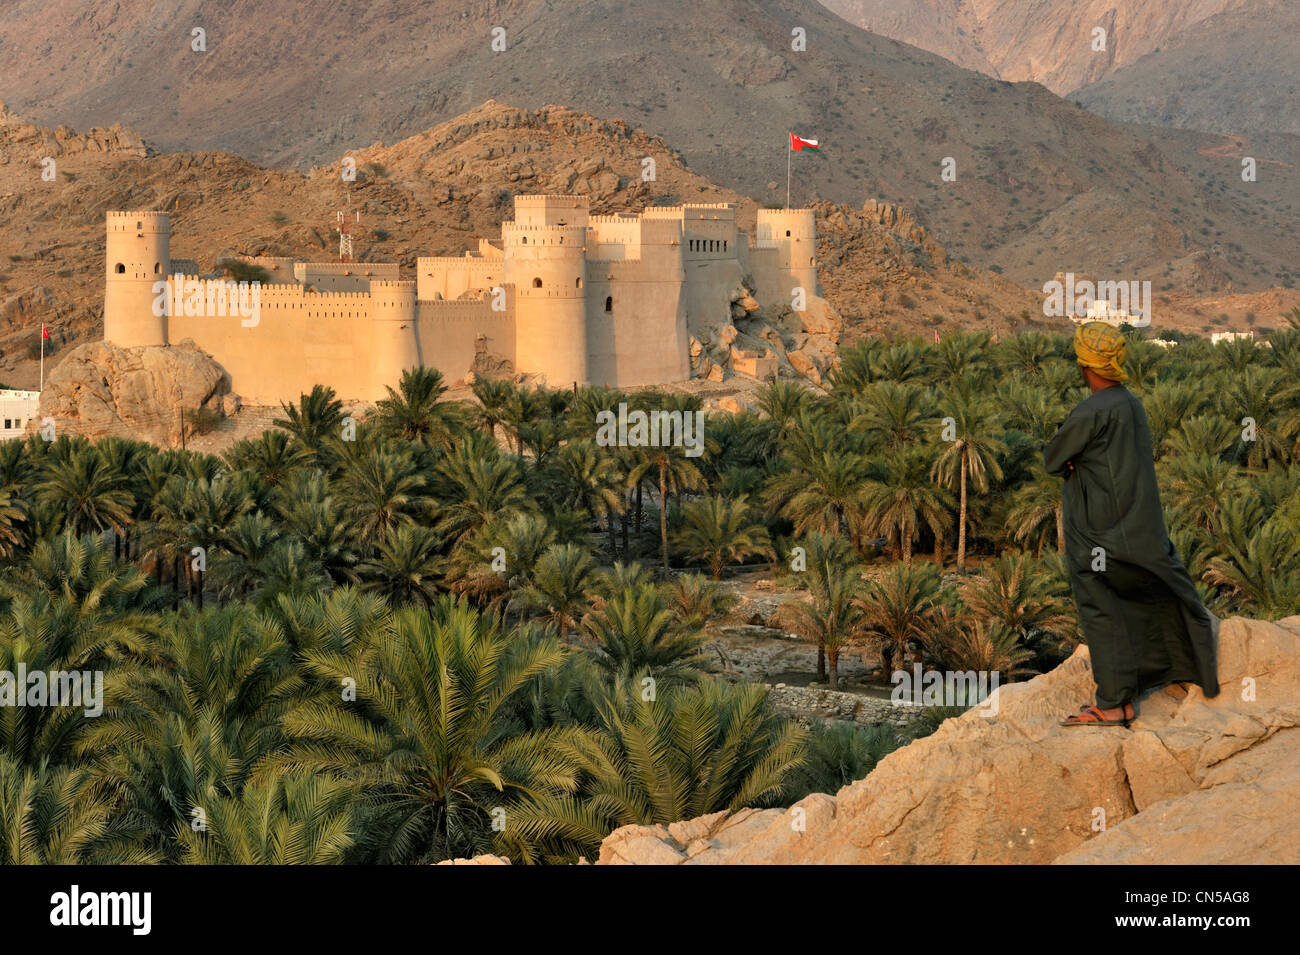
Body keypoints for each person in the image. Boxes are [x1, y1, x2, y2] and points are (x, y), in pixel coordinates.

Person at [1044, 323, 1220, 727]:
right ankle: (1184, 673)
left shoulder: (1090, 411)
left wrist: (1073, 459)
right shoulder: (1131, 403)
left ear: (1085, 366)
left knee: (1101, 609)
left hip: (1097, 532)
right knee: (1157, 594)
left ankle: (1113, 703)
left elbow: (1053, 459)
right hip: (1140, 526)